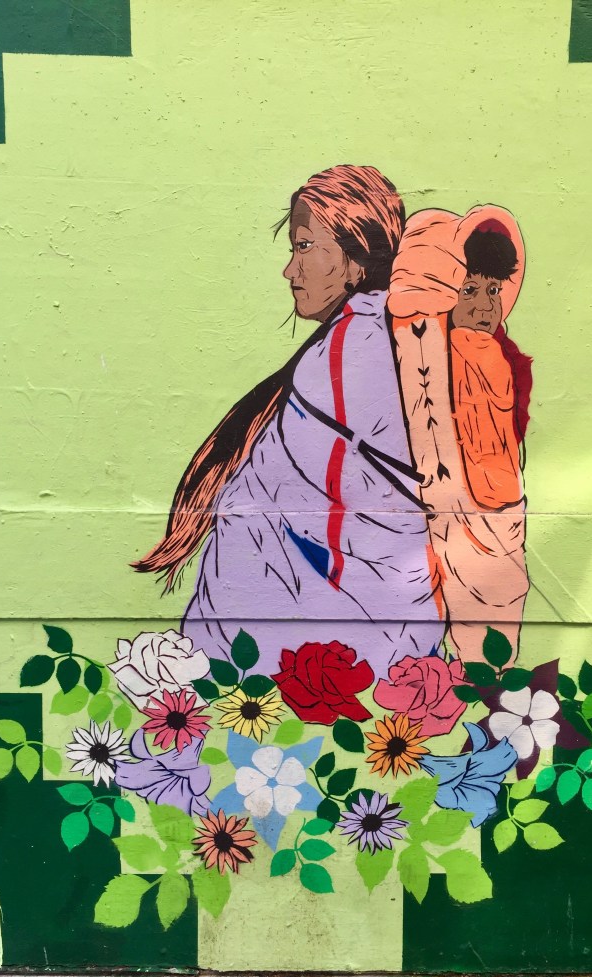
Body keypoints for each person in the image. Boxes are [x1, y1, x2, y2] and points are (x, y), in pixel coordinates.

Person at [133, 166, 443, 678]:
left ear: (355, 259)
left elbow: (369, 524)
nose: (289, 270)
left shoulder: (356, 347)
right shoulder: (371, 341)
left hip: (308, 661)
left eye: (303, 246)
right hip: (328, 655)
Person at [387, 206, 532, 664]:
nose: (486, 306)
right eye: (469, 290)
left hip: (495, 515)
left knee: (485, 649)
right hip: (466, 516)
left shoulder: (496, 355)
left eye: (494, 290)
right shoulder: (427, 351)